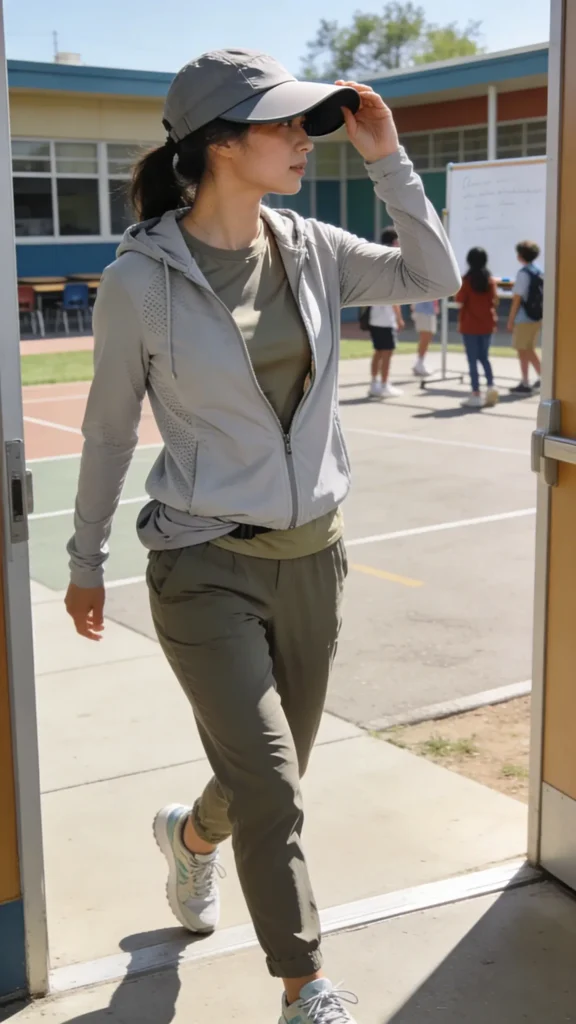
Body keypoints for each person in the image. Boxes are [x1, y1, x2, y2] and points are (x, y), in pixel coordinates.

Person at [64, 48, 460, 1024]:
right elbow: (108, 431)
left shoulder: (312, 246)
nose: (302, 138)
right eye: (283, 122)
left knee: (265, 779)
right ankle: (303, 985)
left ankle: (190, 837)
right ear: (219, 143)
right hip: (202, 565)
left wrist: (387, 158)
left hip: (314, 558)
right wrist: (85, 562)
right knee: (275, 786)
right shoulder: (139, 282)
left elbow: (434, 275)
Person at [455, 247, 499, 409]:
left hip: (469, 325)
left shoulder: (466, 281)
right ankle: (491, 386)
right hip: (487, 324)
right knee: (484, 357)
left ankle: (475, 393)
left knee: (472, 360)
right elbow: (494, 301)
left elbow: (459, 300)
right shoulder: (490, 281)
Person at [367, 227, 405, 398]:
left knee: (378, 351)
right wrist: (399, 318)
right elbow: (393, 296)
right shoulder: (392, 263)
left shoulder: (376, 260)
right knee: (387, 353)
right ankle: (384, 385)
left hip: (375, 316)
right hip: (385, 318)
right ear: (394, 242)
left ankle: (374, 383)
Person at [507, 240, 543, 393]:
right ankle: (543, 377)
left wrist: (510, 320)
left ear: (521, 255)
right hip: (537, 316)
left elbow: (517, 299)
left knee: (522, 350)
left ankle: (525, 382)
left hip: (524, 317)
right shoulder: (538, 271)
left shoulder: (523, 273)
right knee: (529, 349)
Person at [411, 298, 438, 376]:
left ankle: (420, 363)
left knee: (427, 339)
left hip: (429, 312)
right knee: (425, 339)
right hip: (423, 312)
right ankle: (419, 364)